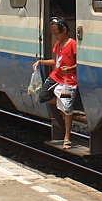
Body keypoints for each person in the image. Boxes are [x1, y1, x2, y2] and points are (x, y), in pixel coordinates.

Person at [32, 17, 82, 149]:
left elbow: (80, 63)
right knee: (43, 96)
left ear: (64, 30)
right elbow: (56, 62)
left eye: (57, 33)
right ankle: (62, 102)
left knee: (67, 109)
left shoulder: (73, 44)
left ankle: (67, 137)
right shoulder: (58, 45)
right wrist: (41, 62)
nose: (56, 36)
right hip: (56, 77)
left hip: (68, 80)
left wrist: (70, 68)